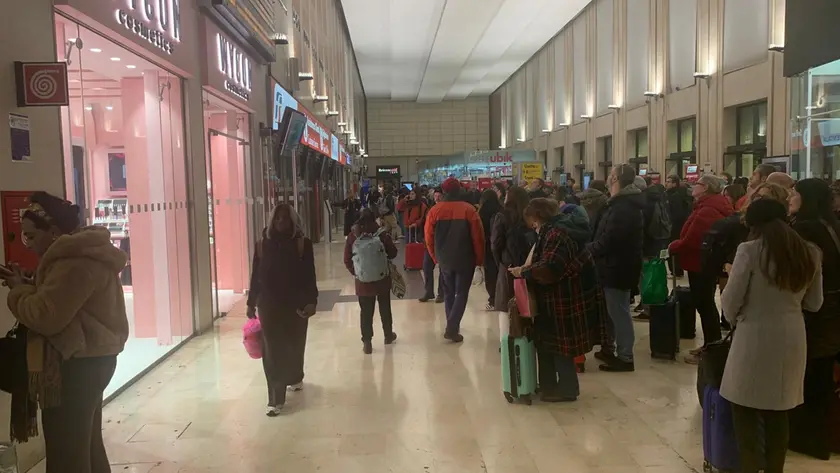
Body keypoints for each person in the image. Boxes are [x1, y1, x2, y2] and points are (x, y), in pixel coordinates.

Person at [0, 192, 128, 473]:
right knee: (88, 447)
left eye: (31, 237)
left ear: (55, 232)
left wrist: (18, 291)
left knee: (66, 455)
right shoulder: (83, 256)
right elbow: (66, 306)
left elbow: (46, 317)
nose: (28, 245)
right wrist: (30, 284)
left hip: (75, 367)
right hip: (91, 360)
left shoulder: (73, 263)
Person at [720, 198, 823, 473]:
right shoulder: (810, 251)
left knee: (744, 409)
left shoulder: (749, 251)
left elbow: (730, 303)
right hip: (792, 335)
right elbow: (815, 303)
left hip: (753, 335)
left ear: (753, 224)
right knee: (779, 409)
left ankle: (751, 468)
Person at [509, 198, 606, 402]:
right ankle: (550, 385)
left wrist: (525, 272)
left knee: (560, 345)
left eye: (533, 222)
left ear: (539, 217)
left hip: (562, 296)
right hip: (566, 294)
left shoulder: (556, 234)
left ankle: (568, 388)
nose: (533, 227)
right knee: (549, 342)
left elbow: (551, 268)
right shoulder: (559, 230)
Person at [246, 204, 318, 416]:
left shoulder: (302, 244)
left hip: (295, 304)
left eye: (285, 219)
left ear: (293, 222)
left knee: (295, 343)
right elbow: (255, 276)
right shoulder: (262, 245)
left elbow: (309, 275)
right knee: (273, 349)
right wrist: (251, 302)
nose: (281, 223)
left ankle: (295, 376)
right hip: (269, 305)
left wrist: (312, 301)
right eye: (277, 219)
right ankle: (275, 398)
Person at [788, 178, 840, 460]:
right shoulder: (831, 224)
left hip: (816, 310)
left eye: (795, 193)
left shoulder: (806, 229)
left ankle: (807, 436)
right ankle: (821, 435)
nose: (791, 197)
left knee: (808, 374)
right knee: (821, 374)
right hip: (833, 310)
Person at [668, 175, 733, 363]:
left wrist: (674, 246)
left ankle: (712, 348)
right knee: (705, 304)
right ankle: (709, 345)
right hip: (703, 262)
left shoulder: (708, 210)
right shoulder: (709, 205)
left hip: (701, 263)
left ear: (705, 188)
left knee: (705, 305)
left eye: (697, 184)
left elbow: (694, 239)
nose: (693, 187)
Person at [588, 164, 645, 372]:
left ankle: (625, 356)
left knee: (619, 312)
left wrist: (587, 250)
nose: (608, 179)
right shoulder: (619, 204)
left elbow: (611, 240)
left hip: (618, 267)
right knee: (613, 312)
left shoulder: (624, 207)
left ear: (616, 179)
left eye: (611, 175)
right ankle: (610, 348)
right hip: (613, 265)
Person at [425, 177, 485, 342]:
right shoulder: (469, 210)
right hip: (465, 259)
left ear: (443, 192)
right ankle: (452, 327)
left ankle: (452, 325)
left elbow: (428, 238)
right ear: (459, 191)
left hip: (444, 259)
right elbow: (478, 238)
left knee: (449, 292)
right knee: (462, 293)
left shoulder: (435, 211)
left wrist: (435, 257)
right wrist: (479, 259)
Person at [344, 209, 399, 354]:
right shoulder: (381, 234)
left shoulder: (352, 236)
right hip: (382, 279)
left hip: (363, 283)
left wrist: (357, 273)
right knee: (385, 308)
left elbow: (347, 259)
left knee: (366, 312)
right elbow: (393, 253)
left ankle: (367, 342)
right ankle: (388, 335)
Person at [491, 186, 534, 313]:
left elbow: (495, 244)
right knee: (527, 304)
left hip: (508, 265)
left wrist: (500, 262)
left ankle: (507, 333)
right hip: (530, 263)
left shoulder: (502, 216)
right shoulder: (530, 215)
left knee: (506, 307)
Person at [478, 189, 503, 310]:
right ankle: (501, 298)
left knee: (490, 274)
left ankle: (492, 299)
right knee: (500, 273)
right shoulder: (501, 210)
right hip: (500, 245)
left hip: (487, 246)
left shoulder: (481, 213)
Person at [420, 187, 445, 303]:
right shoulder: (429, 209)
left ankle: (442, 293)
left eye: (439, 196)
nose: (437, 198)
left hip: (442, 244)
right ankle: (428, 291)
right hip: (429, 243)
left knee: (443, 270)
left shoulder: (446, 210)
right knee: (426, 267)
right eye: (435, 196)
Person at [665, 175, 693, 277]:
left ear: (674, 183)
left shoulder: (674, 196)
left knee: (673, 250)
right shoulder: (678, 194)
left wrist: (669, 222)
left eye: (668, 181)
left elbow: (676, 213)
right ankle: (676, 269)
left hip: (674, 227)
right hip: (678, 226)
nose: (666, 183)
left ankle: (676, 270)